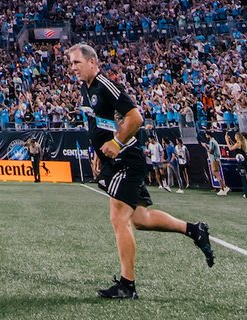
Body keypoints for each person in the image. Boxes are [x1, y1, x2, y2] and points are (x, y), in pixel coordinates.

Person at [63, 43, 211, 299]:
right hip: (112, 160)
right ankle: (194, 229)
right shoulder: (85, 89)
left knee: (118, 218)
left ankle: (127, 285)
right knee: (140, 219)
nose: (72, 68)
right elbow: (99, 125)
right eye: (71, 63)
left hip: (126, 159)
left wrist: (116, 142)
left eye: (76, 63)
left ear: (92, 62)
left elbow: (136, 117)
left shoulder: (105, 85)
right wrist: (96, 152)